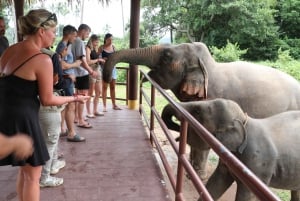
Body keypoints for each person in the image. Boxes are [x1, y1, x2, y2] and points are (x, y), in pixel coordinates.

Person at [0, 9, 88, 201]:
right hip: (24, 118)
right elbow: (48, 99)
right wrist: (74, 98)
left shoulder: (10, 50)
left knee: (25, 172)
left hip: (6, 113)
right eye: (53, 31)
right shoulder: (42, 59)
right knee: (33, 176)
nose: (54, 36)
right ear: (41, 31)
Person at [39, 47, 67, 188]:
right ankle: (44, 177)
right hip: (47, 104)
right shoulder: (50, 56)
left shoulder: (19, 52)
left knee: (50, 138)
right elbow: (55, 80)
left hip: (31, 103)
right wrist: (74, 98)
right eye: (52, 31)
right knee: (50, 141)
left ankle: (53, 164)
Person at [56, 25, 85, 142]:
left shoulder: (65, 45)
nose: (75, 37)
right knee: (71, 105)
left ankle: (62, 129)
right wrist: (75, 64)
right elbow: (61, 65)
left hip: (66, 80)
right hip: (66, 81)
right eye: (74, 35)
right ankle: (71, 133)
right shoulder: (62, 47)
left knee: (64, 106)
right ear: (68, 34)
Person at [72, 24, 98, 128]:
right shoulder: (79, 42)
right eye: (87, 33)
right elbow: (82, 60)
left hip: (75, 73)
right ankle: (81, 120)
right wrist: (91, 71)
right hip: (81, 73)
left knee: (78, 96)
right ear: (82, 31)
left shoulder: (74, 41)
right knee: (82, 97)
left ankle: (77, 117)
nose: (87, 36)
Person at [99, 33, 121, 112]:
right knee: (104, 88)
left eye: (112, 39)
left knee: (113, 87)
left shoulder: (114, 47)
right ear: (105, 39)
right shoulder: (101, 48)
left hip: (113, 69)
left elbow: (117, 58)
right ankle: (104, 106)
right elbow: (98, 59)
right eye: (109, 39)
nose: (111, 41)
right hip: (105, 70)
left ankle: (114, 105)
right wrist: (103, 60)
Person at [85, 34, 105, 118]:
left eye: (98, 42)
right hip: (91, 70)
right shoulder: (88, 48)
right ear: (92, 41)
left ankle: (95, 110)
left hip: (98, 70)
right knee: (90, 92)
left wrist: (101, 60)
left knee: (99, 92)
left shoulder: (96, 49)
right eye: (96, 42)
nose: (97, 43)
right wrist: (98, 60)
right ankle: (89, 112)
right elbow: (87, 61)